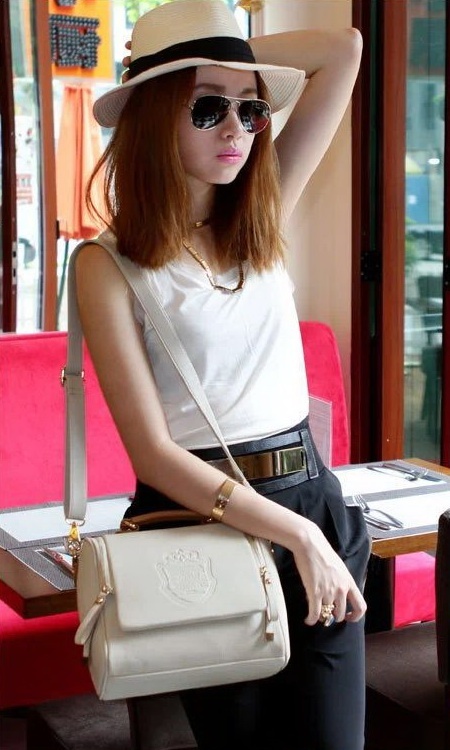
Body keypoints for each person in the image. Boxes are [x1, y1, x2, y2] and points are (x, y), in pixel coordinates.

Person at [75, 1, 370, 748]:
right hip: (203, 525)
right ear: (153, 117)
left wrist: (213, 55)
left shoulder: (262, 214)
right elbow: (152, 454)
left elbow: (343, 49)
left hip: (314, 503)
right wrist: (296, 536)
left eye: (251, 108)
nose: (236, 128)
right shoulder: (107, 264)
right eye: (207, 107)